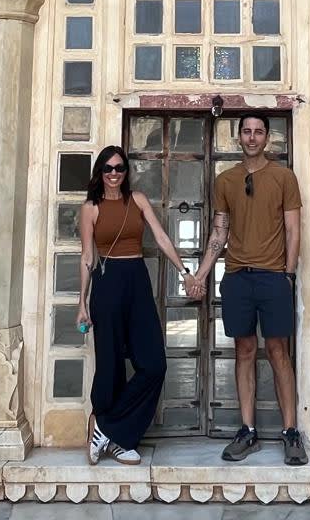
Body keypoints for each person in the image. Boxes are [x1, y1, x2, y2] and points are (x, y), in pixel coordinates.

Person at [187, 113, 307, 465]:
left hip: (274, 277)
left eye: (258, 132)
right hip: (237, 277)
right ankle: (248, 431)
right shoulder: (226, 180)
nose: (252, 137)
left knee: (279, 352)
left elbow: (293, 230)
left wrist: (287, 275)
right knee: (244, 351)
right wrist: (202, 274)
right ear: (238, 137)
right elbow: (219, 233)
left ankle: (290, 432)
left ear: (267, 138)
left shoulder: (284, 177)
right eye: (246, 131)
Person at [77, 145, 191, 465]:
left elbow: (161, 237)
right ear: (100, 172)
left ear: (126, 172)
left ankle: (107, 427)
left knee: (154, 364)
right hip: (107, 281)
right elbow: (87, 256)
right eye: (108, 168)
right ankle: (119, 439)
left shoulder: (137, 200)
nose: (114, 174)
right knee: (110, 364)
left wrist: (184, 271)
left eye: (119, 168)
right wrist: (82, 302)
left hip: (137, 279)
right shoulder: (91, 208)